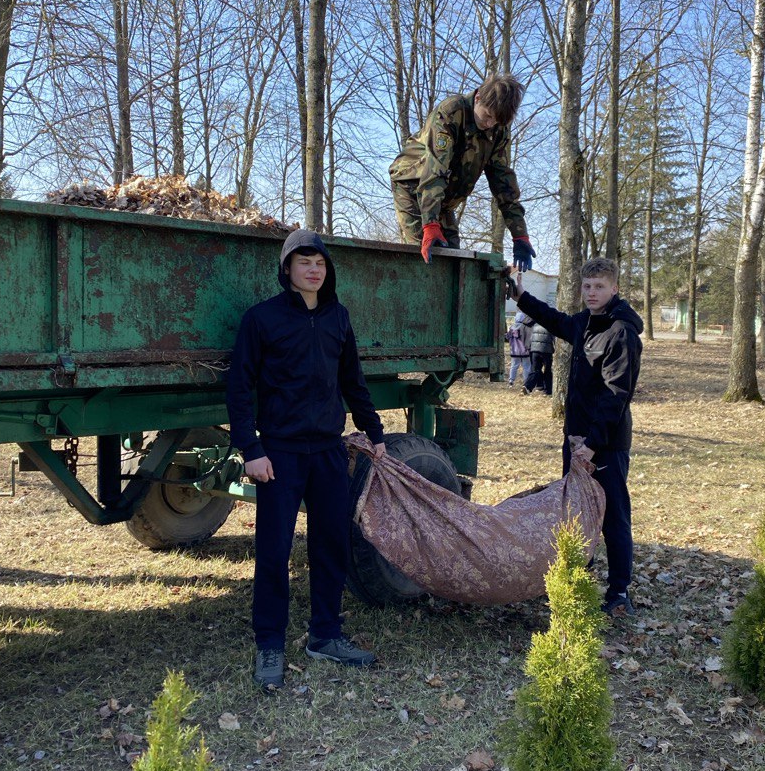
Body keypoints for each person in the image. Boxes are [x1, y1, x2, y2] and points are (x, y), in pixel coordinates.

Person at [226, 229, 387, 690]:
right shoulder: (262, 319)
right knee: (274, 551)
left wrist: (374, 431)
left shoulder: (338, 317)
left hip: (329, 452)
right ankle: (270, 644)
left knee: (331, 545)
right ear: (287, 269)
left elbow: (353, 381)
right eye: (304, 262)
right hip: (280, 453)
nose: (313, 270)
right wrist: (251, 448)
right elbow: (239, 387)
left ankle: (325, 634)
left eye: (319, 263)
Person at [508, 257, 643, 617]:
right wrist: (521, 297)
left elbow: (616, 396)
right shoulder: (585, 323)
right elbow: (556, 321)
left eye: (599, 287)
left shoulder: (621, 333)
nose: (591, 293)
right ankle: (578, 577)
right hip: (575, 439)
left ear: (614, 288)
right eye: (587, 286)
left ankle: (619, 592)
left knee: (612, 515)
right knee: (576, 512)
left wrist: (592, 446)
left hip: (605, 444)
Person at [389, 73, 536, 270]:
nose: (490, 124)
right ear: (478, 98)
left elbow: (503, 182)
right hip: (413, 185)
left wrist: (520, 235)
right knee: (424, 255)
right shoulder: (451, 112)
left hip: (444, 197)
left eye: (496, 121)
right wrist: (430, 224)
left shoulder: (498, 131)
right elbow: (436, 169)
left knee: (453, 258)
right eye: (488, 116)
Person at [524, 322, 554, 395]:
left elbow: (531, 338)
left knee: (535, 370)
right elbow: (554, 339)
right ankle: (548, 390)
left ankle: (527, 387)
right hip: (546, 350)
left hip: (534, 349)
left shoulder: (536, 325)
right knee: (547, 370)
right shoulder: (551, 325)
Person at [506, 313, 532, 388]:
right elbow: (529, 339)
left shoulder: (511, 328)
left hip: (514, 351)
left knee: (514, 366)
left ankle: (511, 381)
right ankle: (526, 382)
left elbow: (507, 337)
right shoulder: (526, 328)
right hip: (525, 351)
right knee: (526, 367)